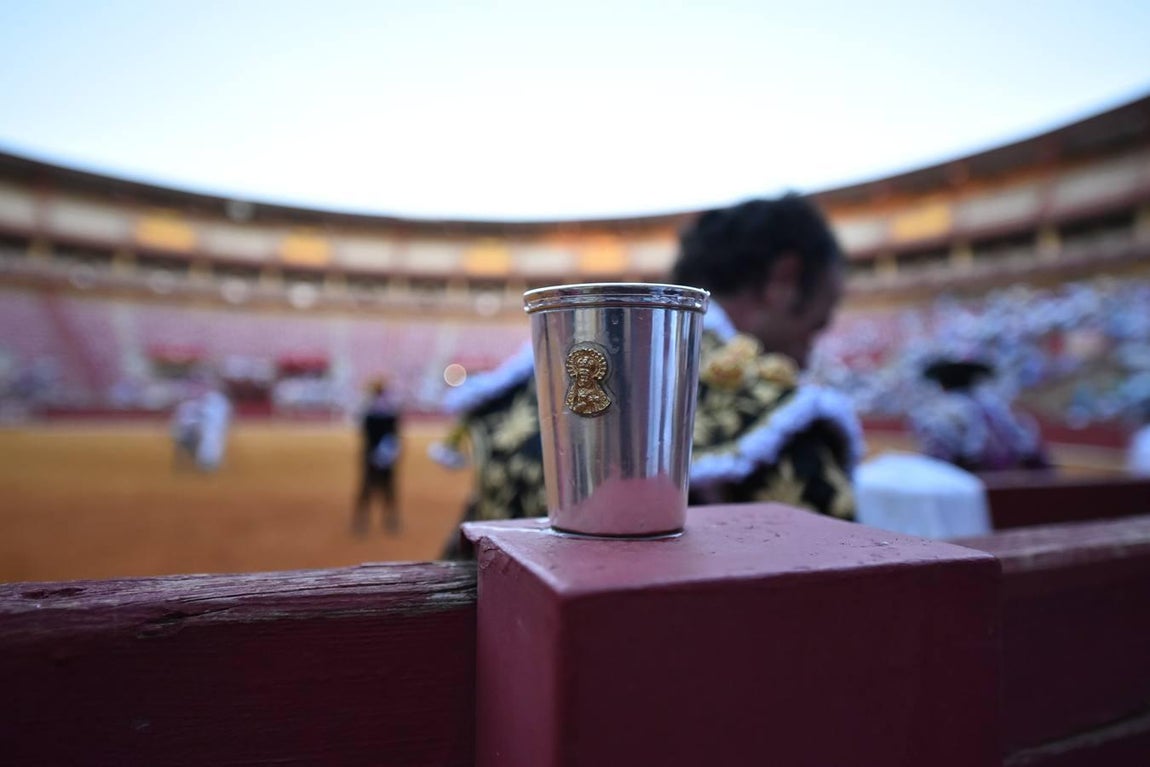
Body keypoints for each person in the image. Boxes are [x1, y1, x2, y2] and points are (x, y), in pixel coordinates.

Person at [431, 194, 865, 555]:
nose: (808, 353)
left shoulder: (511, 394)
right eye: (816, 326)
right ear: (783, 282)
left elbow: (465, 558)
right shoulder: (784, 419)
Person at [909, 356, 1050, 473]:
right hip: (1010, 483)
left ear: (942, 386)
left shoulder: (937, 414)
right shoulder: (1000, 408)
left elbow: (938, 465)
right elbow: (1032, 455)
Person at [353, 377, 403, 535]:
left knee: (367, 488)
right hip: (387, 455)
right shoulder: (390, 410)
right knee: (388, 488)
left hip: (371, 454)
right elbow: (395, 434)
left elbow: (364, 432)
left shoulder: (369, 410)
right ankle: (390, 520)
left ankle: (362, 521)